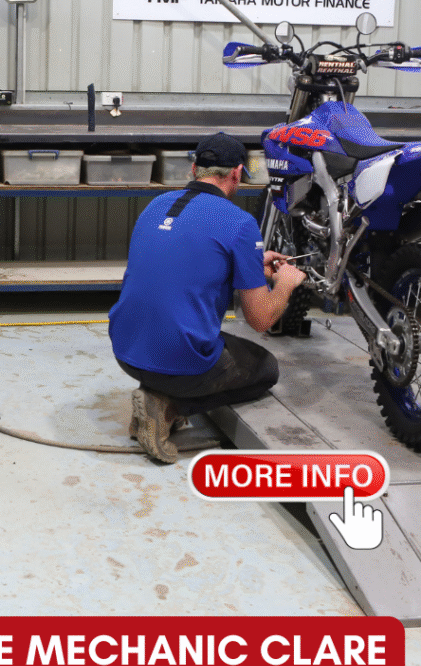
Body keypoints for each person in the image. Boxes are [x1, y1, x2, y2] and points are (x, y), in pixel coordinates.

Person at [108, 131, 307, 463]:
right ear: (237, 174)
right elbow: (260, 320)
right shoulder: (240, 223)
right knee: (266, 369)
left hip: (125, 352)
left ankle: (159, 395)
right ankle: (169, 407)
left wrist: (251, 264)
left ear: (194, 169)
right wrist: (285, 283)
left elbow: (186, 261)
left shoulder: (155, 205)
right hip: (177, 363)